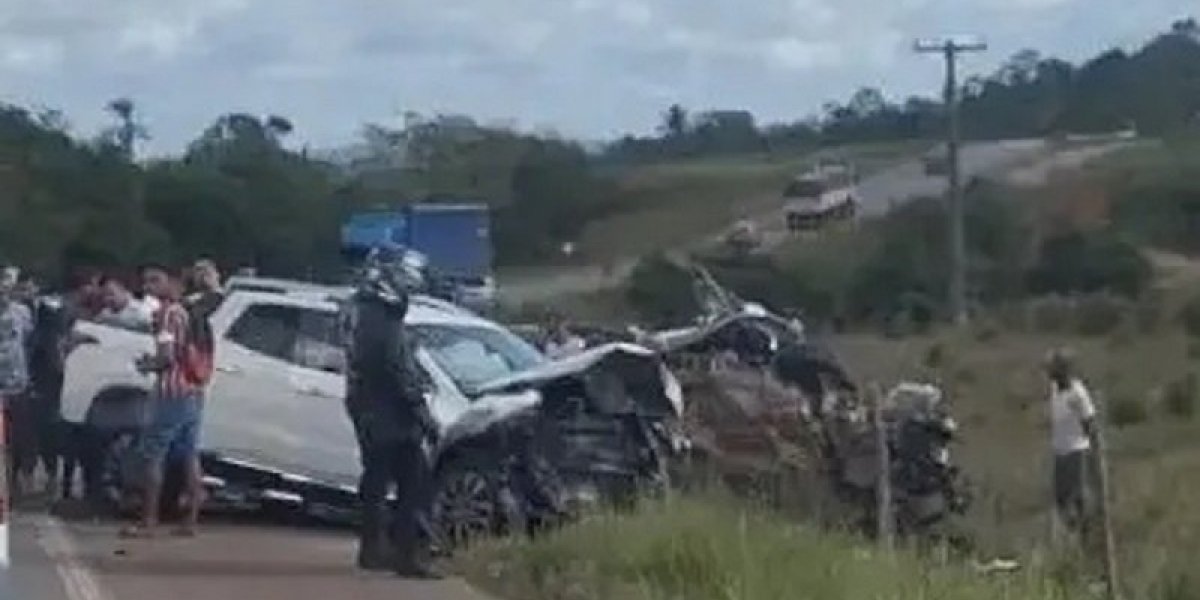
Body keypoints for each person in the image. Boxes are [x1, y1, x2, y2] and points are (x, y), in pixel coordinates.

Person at [344, 249, 441, 577]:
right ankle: (405, 555)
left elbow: (396, 362)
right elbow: (394, 367)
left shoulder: (368, 313)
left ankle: (376, 550)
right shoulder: (377, 318)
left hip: (375, 408)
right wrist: (422, 412)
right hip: (387, 412)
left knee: (378, 481)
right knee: (412, 483)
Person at [121, 265, 207, 538]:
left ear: (173, 281)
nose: (148, 287)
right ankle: (190, 520)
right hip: (193, 390)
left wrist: (148, 365)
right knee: (189, 456)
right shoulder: (187, 312)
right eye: (146, 281)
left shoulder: (167, 315)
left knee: (153, 454)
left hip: (171, 392)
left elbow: (167, 357)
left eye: (155, 280)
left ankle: (148, 521)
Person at [1045, 348, 1099, 537]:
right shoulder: (1054, 390)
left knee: (1079, 499)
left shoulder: (1078, 393)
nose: (1049, 372)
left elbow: (1090, 424)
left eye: (1053, 368)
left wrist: (1094, 456)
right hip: (1060, 452)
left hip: (1077, 451)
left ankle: (1087, 536)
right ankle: (1075, 534)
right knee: (1061, 500)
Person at [0, 269, 34, 498]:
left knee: (19, 437)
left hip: (17, 382)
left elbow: (29, 340)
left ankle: (17, 482)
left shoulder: (22, 312)